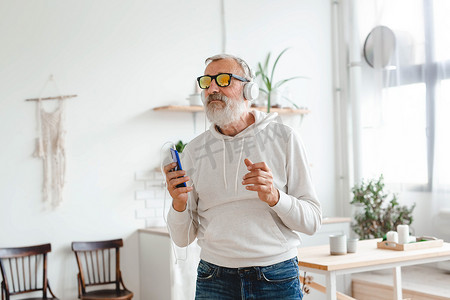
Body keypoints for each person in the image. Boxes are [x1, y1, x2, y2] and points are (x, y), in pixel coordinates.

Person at [164, 54, 322, 300]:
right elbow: (182, 239)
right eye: (207, 82)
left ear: (250, 90)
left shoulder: (284, 138)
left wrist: (275, 197)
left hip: (275, 277)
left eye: (224, 79)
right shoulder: (194, 152)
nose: (213, 88)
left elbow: (312, 221)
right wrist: (179, 204)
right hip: (213, 278)